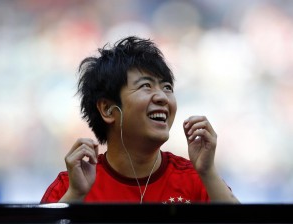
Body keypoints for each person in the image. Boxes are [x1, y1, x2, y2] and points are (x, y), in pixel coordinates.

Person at [40, 36, 240, 204]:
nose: (162, 97)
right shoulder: (72, 186)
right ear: (108, 109)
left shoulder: (197, 179)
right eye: (146, 86)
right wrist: (75, 196)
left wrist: (208, 172)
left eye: (167, 87)